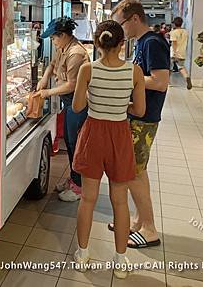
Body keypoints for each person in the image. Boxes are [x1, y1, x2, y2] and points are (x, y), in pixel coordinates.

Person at [71, 20, 146, 279]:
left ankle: (83, 253)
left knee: (87, 199)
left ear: (97, 43)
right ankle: (121, 259)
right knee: (120, 201)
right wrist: (120, 105)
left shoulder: (87, 69)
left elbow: (77, 107)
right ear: (122, 44)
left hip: (93, 135)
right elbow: (140, 110)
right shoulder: (134, 71)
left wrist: (95, 97)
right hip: (120, 136)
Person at [110, 0, 170, 249]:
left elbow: (160, 81)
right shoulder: (145, 43)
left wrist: (127, 74)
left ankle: (149, 229)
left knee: (133, 173)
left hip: (144, 119)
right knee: (138, 172)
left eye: (121, 23)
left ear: (134, 18)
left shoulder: (153, 43)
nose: (120, 29)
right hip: (139, 115)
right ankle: (138, 221)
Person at [35, 17, 90, 202]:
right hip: (69, 103)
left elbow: (72, 84)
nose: (53, 41)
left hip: (78, 102)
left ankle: (79, 187)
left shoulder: (75, 53)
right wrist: (44, 78)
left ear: (64, 35)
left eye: (54, 38)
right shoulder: (63, 48)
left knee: (76, 144)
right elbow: (52, 64)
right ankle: (74, 180)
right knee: (69, 139)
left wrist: (48, 92)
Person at [170, 17, 192, 89]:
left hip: (174, 53)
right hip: (182, 52)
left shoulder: (174, 32)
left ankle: (167, 82)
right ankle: (187, 77)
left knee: (169, 68)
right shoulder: (185, 32)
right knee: (181, 68)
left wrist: (175, 53)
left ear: (174, 24)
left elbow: (174, 43)